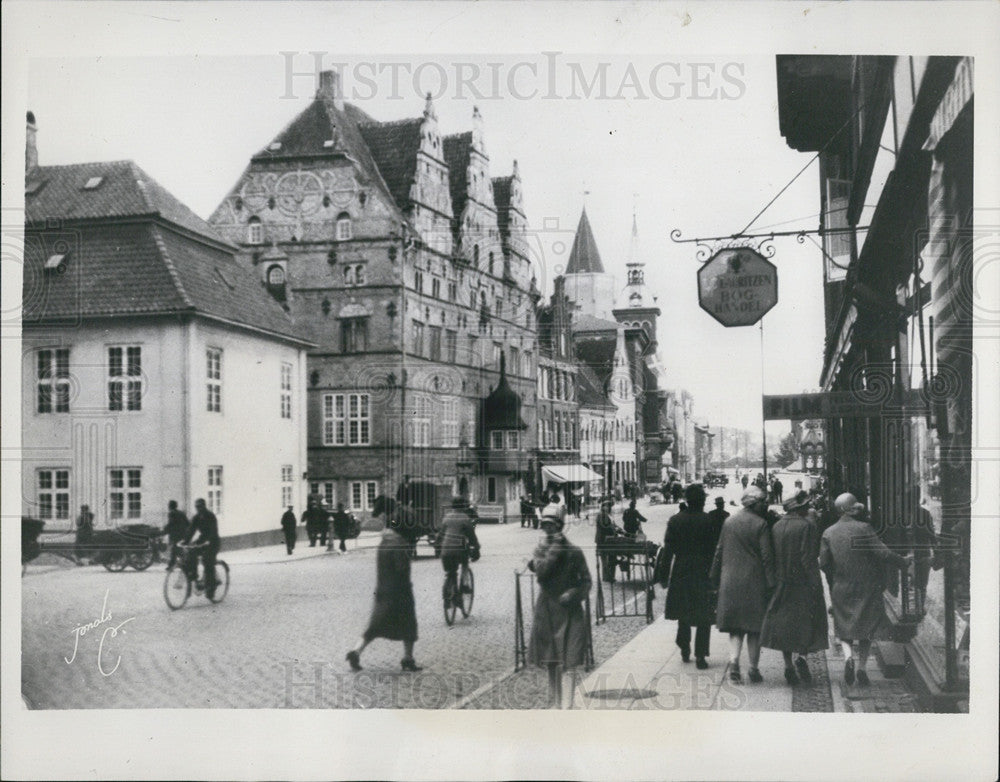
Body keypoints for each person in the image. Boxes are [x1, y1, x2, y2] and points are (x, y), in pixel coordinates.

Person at [820, 493, 910, 686]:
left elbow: (824, 563)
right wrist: (903, 561)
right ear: (852, 510)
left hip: (841, 586)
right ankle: (861, 668)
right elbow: (882, 553)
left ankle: (847, 658)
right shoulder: (864, 528)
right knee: (867, 628)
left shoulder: (828, 532)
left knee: (844, 626)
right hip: (867, 587)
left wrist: (834, 579)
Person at [760, 491, 829, 685]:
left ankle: (788, 666)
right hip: (802, 584)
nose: (808, 507)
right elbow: (807, 558)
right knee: (805, 623)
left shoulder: (777, 526)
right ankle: (802, 657)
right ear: (799, 508)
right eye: (805, 505)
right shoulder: (807, 526)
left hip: (782, 583)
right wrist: (816, 583)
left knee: (784, 625)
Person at [710, 485, 776, 684]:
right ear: (754, 503)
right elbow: (767, 557)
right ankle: (754, 670)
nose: (766, 505)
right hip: (754, 582)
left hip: (730, 581)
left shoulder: (729, 521)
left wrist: (713, 576)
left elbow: (719, 550)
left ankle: (734, 662)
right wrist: (772, 583)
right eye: (763, 501)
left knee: (735, 627)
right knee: (754, 628)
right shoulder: (761, 524)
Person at [528, 510, 592, 708]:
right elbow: (542, 572)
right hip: (547, 610)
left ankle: (567, 705)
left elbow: (587, 582)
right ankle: (555, 704)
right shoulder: (541, 551)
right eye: (545, 525)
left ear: (559, 526)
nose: (548, 529)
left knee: (570, 661)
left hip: (570, 612)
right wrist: (554, 548)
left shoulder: (574, 551)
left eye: (552, 525)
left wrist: (573, 593)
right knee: (551, 661)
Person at [346, 513, 422, 673]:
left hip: (382, 589)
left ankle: (356, 651)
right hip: (400, 591)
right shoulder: (400, 543)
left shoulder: (384, 542)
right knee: (409, 624)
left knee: (375, 625)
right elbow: (401, 569)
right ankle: (408, 658)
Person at [661, 484, 718, 669]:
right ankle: (701, 655)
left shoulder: (675, 520)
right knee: (704, 613)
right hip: (703, 571)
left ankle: (684, 646)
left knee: (683, 611)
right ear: (702, 500)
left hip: (681, 570)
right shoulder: (708, 521)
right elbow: (715, 550)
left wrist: (663, 575)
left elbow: (668, 550)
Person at [438, 497, 481, 603]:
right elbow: (472, 537)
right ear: (464, 506)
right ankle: (465, 584)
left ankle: (448, 591)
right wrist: (476, 548)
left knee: (450, 572)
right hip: (459, 550)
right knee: (465, 563)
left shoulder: (446, 517)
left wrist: (438, 546)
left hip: (445, 551)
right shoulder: (465, 518)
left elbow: (440, 535)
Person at [184, 498, 221, 599]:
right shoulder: (196, 517)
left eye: (200, 506)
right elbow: (191, 530)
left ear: (204, 506)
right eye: (197, 507)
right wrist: (185, 541)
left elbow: (213, 531)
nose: (198, 509)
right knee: (191, 553)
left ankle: (211, 589)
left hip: (213, 542)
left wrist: (208, 541)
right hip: (202, 541)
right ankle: (195, 577)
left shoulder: (211, 516)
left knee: (207, 560)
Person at [593, 499, 619, 583]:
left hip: (607, 540)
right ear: (603, 507)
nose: (608, 508)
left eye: (609, 506)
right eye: (606, 506)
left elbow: (612, 525)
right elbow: (606, 527)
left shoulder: (607, 515)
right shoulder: (601, 515)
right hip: (603, 540)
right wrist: (614, 530)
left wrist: (618, 529)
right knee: (605, 559)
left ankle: (607, 576)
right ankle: (607, 577)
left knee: (607, 558)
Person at [163, 500, 189, 569]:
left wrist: (164, 529)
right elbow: (187, 523)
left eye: (169, 505)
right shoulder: (182, 513)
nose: (168, 506)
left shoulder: (171, 513)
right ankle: (174, 564)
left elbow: (171, 523)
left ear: (170, 506)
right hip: (183, 534)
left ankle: (176, 563)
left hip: (175, 535)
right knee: (176, 549)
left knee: (175, 549)